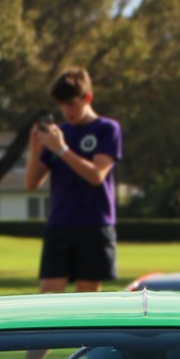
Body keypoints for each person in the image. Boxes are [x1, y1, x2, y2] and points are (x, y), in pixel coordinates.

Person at [23, 66, 122, 293]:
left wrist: (62, 149)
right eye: (61, 104)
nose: (66, 110)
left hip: (94, 223)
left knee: (86, 301)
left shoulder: (107, 129)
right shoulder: (58, 132)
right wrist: (36, 150)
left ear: (87, 97)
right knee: (49, 294)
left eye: (71, 104)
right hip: (60, 223)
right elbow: (31, 184)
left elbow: (97, 175)